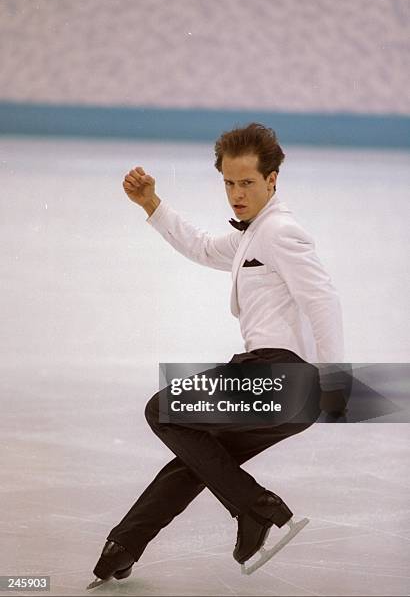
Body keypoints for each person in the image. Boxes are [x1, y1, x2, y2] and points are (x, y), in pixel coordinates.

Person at [88, 123, 347, 588]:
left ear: (272, 180)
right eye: (228, 182)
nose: (236, 193)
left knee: (164, 412)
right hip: (289, 393)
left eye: (247, 182)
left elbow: (322, 298)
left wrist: (333, 376)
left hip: (278, 373)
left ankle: (257, 507)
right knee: (201, 456)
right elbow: (206, 247)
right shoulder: (254, 234)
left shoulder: (281, 231)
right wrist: (152, 204)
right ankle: (125, 544)